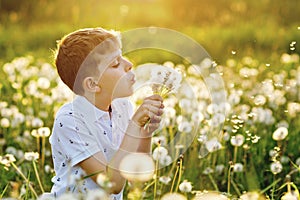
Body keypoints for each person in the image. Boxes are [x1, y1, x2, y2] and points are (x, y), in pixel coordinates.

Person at [48, 27, 164, 199]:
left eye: (122, 56)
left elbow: (136, 175)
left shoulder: (122, 107)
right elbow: (111, 184)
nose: (129, 64)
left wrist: (145, 134)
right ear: (93, 85)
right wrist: (134, 126)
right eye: (115, 63)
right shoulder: (71, 120)